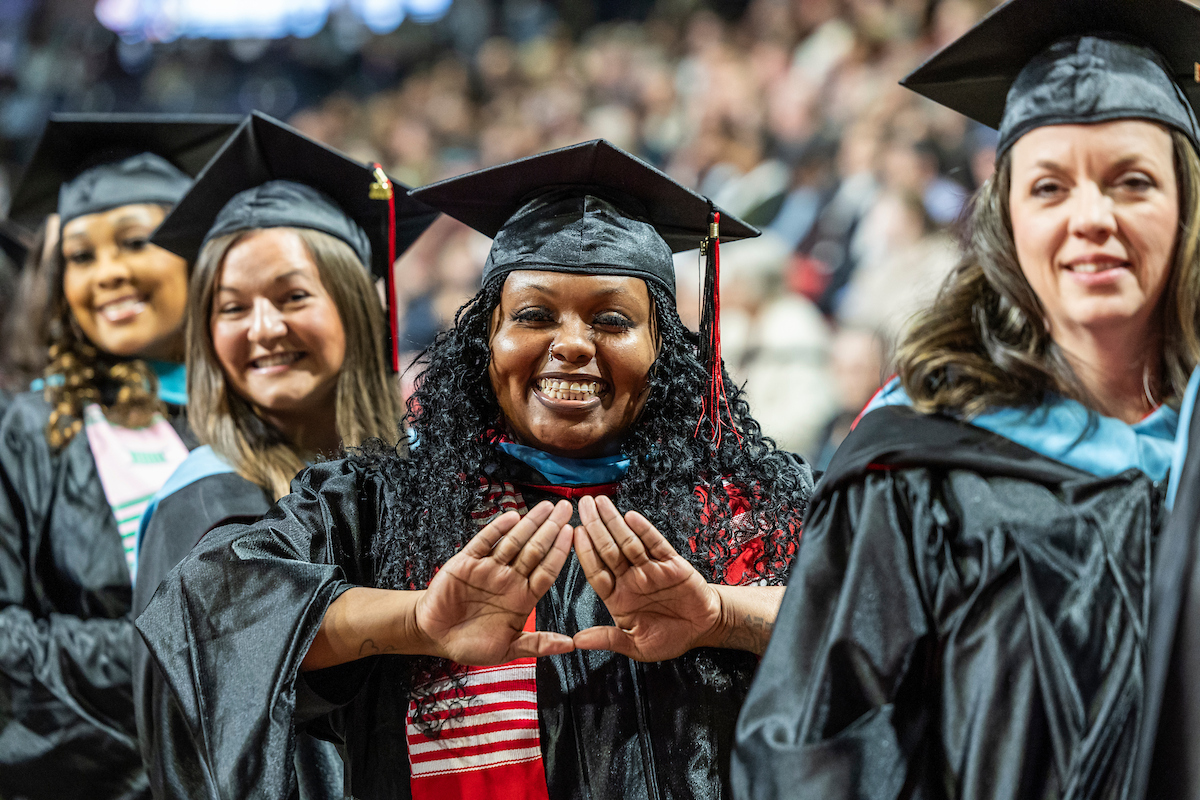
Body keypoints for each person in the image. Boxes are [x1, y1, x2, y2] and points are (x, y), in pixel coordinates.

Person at [137, 138, 814, 800]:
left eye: (612, 319)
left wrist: (723, 614)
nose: (572, 345)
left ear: (665, 349)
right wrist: (416, 622)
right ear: (484, 340)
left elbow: (877, 616)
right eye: (533, 314)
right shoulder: (384, 502)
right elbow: (208, 609)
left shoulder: (742, 504)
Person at [732, 0, 1200, 797]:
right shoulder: (917, 460)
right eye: (1049, 187)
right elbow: (817, 745)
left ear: (1188, 205)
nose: (1092, 218)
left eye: (1132, 181)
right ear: (1007, 220)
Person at [131, 111, 438, 800]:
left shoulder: (415, 472)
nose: (264, 329)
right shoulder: (205, 504)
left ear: (359, 307)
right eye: (231, 308)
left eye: (293, 296)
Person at [0, 113, 238, 800]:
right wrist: (178, 660)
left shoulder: (262, 413)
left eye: (135, 242)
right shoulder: (33, 430)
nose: (106, 274)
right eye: (80, 256)